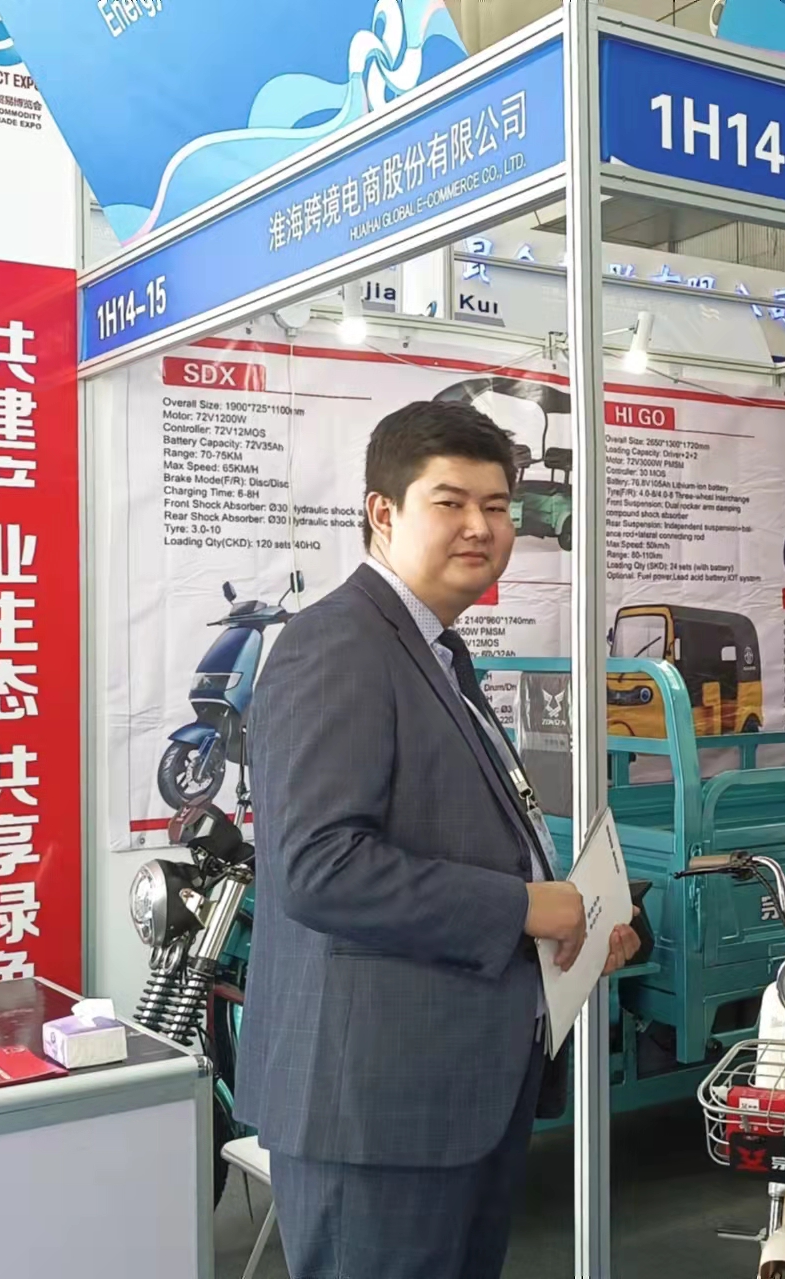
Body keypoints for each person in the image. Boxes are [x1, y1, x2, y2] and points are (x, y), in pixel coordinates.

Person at [235, 399, 640, 1279]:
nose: (480, 527)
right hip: (375, 1105)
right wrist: (522, 906)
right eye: (450, 502)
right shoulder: (337, 644)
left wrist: (571, 924)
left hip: (451, 1091)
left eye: (496, 506)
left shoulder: (436, 651)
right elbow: (317, 866)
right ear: (382, 513)